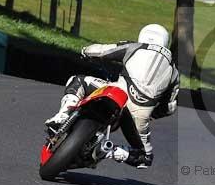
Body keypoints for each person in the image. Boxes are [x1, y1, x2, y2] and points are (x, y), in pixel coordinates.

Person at [45, 24, 179, 169]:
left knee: (77, 80)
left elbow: (103, 51)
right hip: (139, 115)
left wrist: (85, 51)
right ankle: (110, 151)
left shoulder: (135, 46)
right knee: (145, 158)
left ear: (143, 36)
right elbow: (170, 107)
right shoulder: (174, 72)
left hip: (118, 91)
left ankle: (62, 116)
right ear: (166, 42)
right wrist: (152, 114)